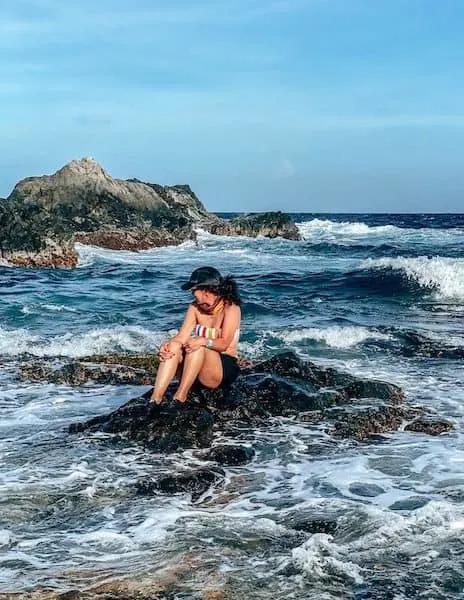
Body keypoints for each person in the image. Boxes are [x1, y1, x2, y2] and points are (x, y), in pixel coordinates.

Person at [151, 266, 242, 404]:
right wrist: (167, 345)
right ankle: (155, 398)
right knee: (174, 346)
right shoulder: (194, 308)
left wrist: (203, 341)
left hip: (222, 369)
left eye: (194, 290)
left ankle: (180, 396)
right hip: (195, 369)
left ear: (205, 291)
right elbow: (181, 337)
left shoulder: (231, 308)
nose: (193, 294)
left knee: (197, 345)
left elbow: (224, 344)